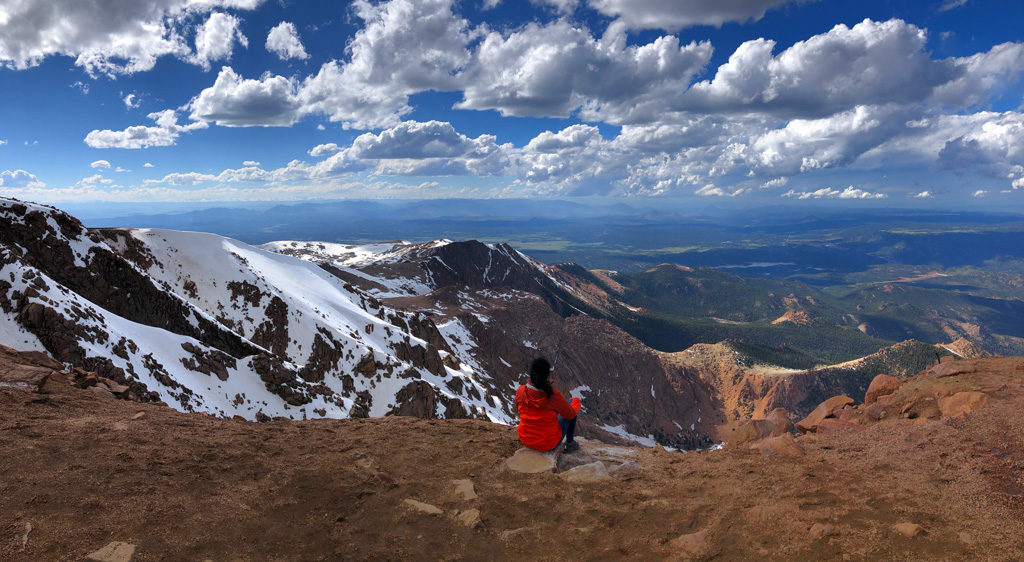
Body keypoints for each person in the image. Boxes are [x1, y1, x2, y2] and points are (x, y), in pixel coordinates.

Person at [515, 357, 582, 453]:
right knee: (572, 404)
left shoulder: (520, 391)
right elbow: (570, 414)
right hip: (548, 443)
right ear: (546, 376)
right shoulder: (554, 396)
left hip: (525, 439)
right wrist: (576, 402)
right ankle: (570, 443)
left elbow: (518, 408)